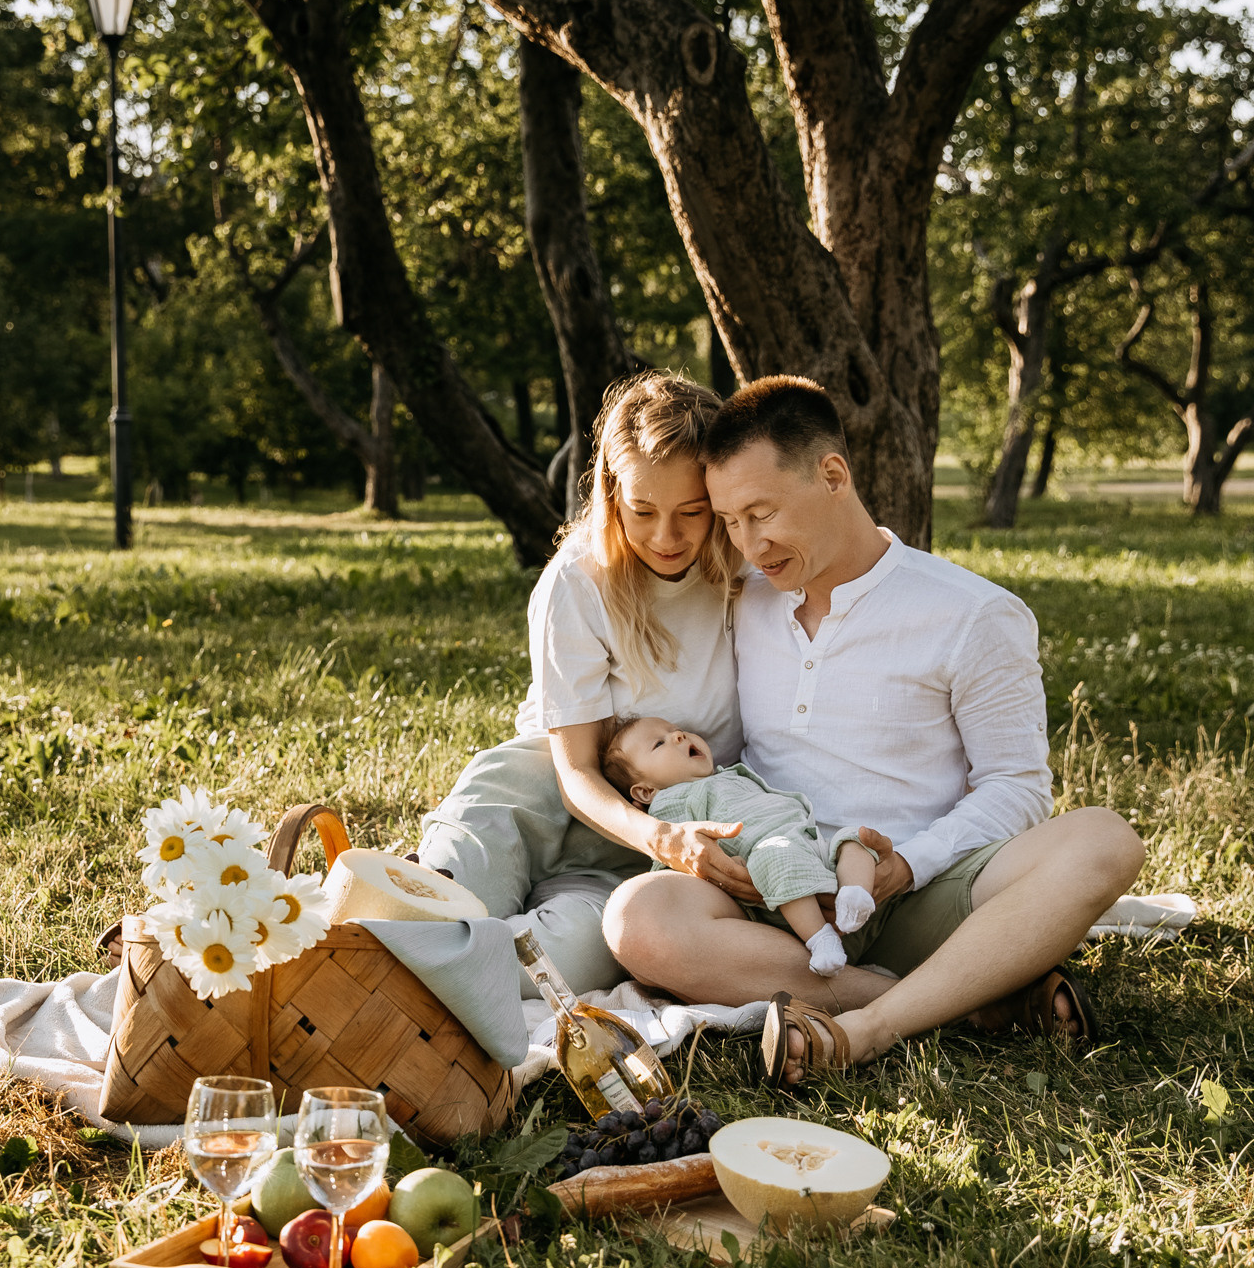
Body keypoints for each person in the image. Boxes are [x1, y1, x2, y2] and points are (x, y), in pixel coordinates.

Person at [600, 375, 1147, 1085]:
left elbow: (1017, 788)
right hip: (777, 892)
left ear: (833, 475)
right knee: (635, 918)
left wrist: (911, 864)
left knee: (1105, 840)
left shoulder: (974, 614)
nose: (747, 543)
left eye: (762, 512)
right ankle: (963, 999)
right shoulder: (743, 598)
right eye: (729, 520)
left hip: (923, 892)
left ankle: (869, 1028)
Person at [413, 371, 754, 995]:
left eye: (692, 512)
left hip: (630, 854)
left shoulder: (748, 577)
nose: (665, 537)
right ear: (611, 493)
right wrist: (663, 837)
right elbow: (574, 777)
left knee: (540, 973)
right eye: (643, 511)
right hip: (532, 806)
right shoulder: (577, 580)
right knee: (430, 933)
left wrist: (664, 843)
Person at [598, 714, 877, 976]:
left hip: (811, 846)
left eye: (676, 730)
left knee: (854, 839)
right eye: (659, 743)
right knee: (776, 856)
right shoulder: (672, 801)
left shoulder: (729, 774)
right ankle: (821, 940)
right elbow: (676, 858)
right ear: (646, 791)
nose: (679, 736)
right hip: (772, 866)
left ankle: (854, 897)